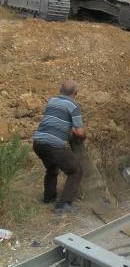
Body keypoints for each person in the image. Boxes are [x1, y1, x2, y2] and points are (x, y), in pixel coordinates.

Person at [32, 79, 85, 214]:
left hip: (38, 143)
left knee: (52, 168)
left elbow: (55, 121)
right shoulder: (74, 106)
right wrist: (79, 135)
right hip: (53, 145)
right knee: (76, 170)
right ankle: (63, 205)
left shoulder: (51, 101)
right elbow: (79, 132)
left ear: (60, 91)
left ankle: (49, 199)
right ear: (75, 93)